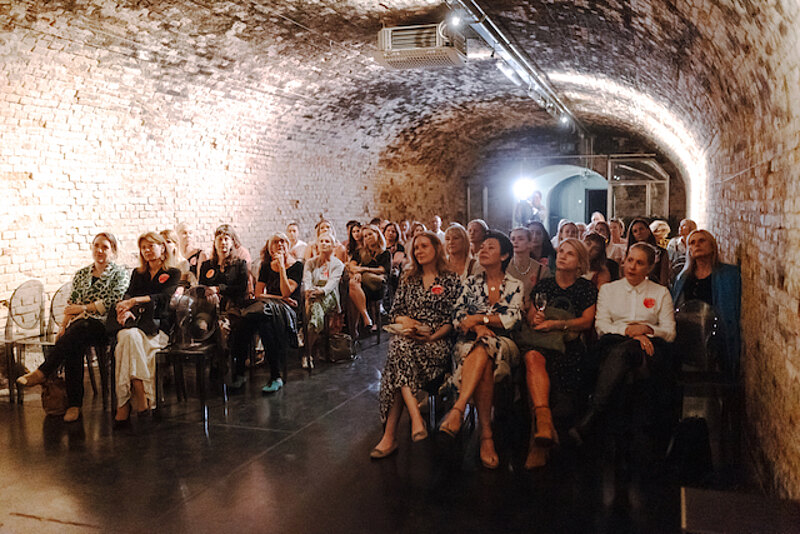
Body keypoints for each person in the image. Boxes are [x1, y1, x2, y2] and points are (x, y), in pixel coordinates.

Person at [569, 243, 676, 445]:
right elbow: (601, 326)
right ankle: (634, 432)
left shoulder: (660, 293)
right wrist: (629, 332)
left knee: (634, 354)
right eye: (630, 260)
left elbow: (669, 332)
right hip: (613, 342)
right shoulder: (609, 290)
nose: (632, 267)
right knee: (626, 352)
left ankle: (593, 416)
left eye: (639, 263)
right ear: (623, 261)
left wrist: (647, 330)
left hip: (651, 347)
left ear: (649, 268)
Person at [17, 233, 129, 422]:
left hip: (106, 325)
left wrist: (84, 308)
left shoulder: (120, 273)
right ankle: (73, 404)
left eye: (105, 247)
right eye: (96, 246)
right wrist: (63, 326)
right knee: (73, 341)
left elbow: (113, 301)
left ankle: (45, 373)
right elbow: (72, 303)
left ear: (113, 251)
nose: (100, 250)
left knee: (77, 331)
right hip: (80, 326)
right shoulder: (82, 274)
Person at [371, 232, 461, 458]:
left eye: (424, 246)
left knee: (396, 359)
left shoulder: (450, 279)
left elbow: (453, 319)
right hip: (409, 338)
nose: (419, 251)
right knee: (400, 347)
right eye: (416, 247)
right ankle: (415, 416)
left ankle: (391, 436)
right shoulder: (408, 278)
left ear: (436, 249)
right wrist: (408, 323)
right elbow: (395, 312)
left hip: (437, 342)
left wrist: (431, 336)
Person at [440, 230, 523, 469]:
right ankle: (487, 436)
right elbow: (457, 315)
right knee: (483, 353)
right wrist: (478, 329)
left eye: (491, 247)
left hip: (505, 344)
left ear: (504, 255)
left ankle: (458, 408)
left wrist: (478, 319)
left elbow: (511, 319)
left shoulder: (515, 285)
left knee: (485, 345)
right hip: (470, 342)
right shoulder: (470, 283)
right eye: (483, 246)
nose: (483, 250)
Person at [517, 238, 597, 468]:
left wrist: (557, 324)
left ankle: (542, 435)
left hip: (568, 344)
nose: (562, 256)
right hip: (540, 342)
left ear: (580, 262)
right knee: (532, 357)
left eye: (569, 253)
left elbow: (586, 322)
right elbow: (531, 318)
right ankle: (542, 426)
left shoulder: (585, 288)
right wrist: (537, 317)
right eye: (561, 251)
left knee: (546, 369)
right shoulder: (544, 285)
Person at [113, 232, 181, 424]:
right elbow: (128, 295)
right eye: (143, 247)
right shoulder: (138, 273)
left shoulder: (173, 272)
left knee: (125, 341)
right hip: (138, 324)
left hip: (159, 327)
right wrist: (124, 309)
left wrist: (136, 301)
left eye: (151, 246)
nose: (147, 250)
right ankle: (141, 393)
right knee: (129, 336)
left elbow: (165, 299)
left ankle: (123, 403)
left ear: (162, 247)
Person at [671, 229, 741, 377]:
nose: (697, 245)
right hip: (689, 333)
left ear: (712, 246)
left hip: (716, 333)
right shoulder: (683, 278)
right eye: (692, 243)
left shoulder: (728, 275)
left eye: (702, 241)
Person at [248, 233, 303, 393]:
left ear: (288, 245)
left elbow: (287, 292)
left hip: (289, 310)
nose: (280, 245)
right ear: (270, 248)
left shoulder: (297, 266)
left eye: (283, 241)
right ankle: (243, 372)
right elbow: (258, 294)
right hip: (270, 307)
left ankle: (275, 375)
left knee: (264, 321)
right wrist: (279, 298)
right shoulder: (266, 266)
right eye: (276, 242)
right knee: (259, 321)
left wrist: (282, 269)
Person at [198, 225, 250, 384]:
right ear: (214, 242)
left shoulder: (239, 264)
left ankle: (224, 364)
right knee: (201, 326)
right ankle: (214, 363)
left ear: (232, 242)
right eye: (220, 239)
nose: (223, 243)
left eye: (226, 239)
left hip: (232, 308)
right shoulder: (207, 265)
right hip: (209, 309)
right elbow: (201, 288)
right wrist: (209, 293)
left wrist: (218, 289)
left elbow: (241, 288)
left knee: (222, 328)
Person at [302, 232, 344, 368]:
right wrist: (310, 291)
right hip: (312, 296)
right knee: (315, 309)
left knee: (314, 307)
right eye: (321, 241)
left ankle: (306, 350)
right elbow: (307, 281)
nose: (324, 244)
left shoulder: (338, 264)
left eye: (327, 241)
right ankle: (309, 347)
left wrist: (319, 291)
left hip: (328, 296)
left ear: (333, 245)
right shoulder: (310, 263)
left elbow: (331, 285)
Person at [348, 224, 391, 332]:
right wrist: (358, 272)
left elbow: (382, 270)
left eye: (370, 234)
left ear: (377, 234)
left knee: (353, 288)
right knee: (353, 286)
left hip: (377, 286)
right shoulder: (360, 252)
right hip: (361, 285)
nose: (368, 238)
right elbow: (352, 266)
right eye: (365, 236)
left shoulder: (385, 253)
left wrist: (362, 270)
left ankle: (355, 329)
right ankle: (364, 318)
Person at [508, 227, 550, 306]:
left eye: (520, 239)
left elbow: (543, 298)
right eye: (512, 239)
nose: (515, 242)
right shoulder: (503, 267)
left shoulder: (541, 270)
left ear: (530, 243)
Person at [626, 218, 669, 286]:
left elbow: (664, 279)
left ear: (648, 231)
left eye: (641, 229)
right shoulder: (629, 253)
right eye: (635, 231)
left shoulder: (662, 253)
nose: (639, 232)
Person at [382, 222, 406, 313]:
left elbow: (396, 262)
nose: (390, 233)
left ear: (397, 234)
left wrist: (386, 259)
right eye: (388, 231)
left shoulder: (399, 247)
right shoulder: (380, 246)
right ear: (384, 232)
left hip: (393, 273)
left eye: (393, 231)